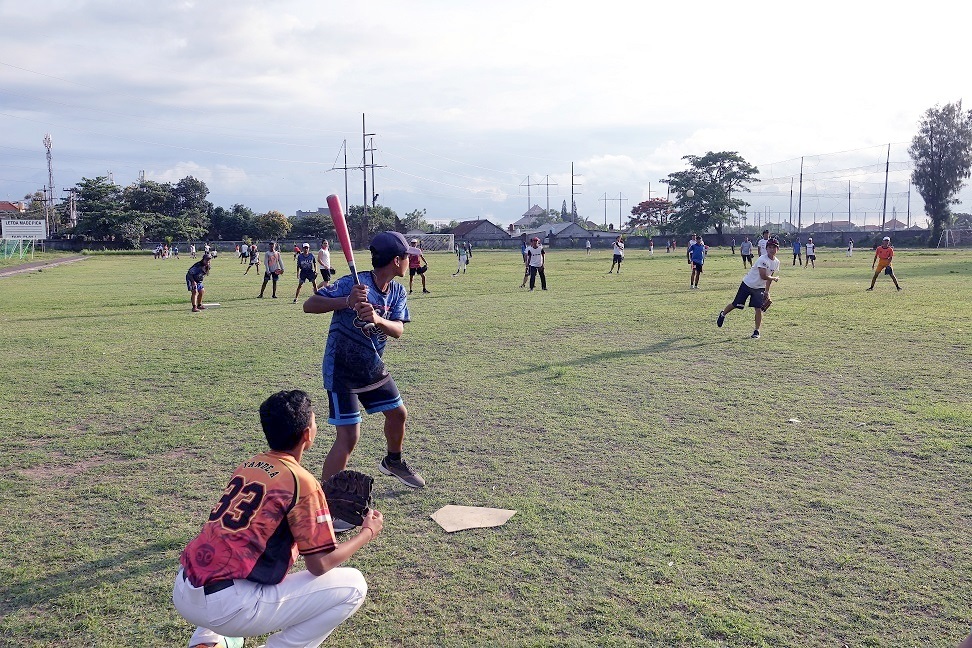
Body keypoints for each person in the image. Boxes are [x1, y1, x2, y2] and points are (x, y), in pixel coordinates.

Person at [172, 389, 381, 648]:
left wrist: (315, 513)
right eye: (314, 420)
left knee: (230, 563)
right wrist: (367, 533)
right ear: (307, 434)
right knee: (354, 586)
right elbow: (320, 565)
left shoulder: (249, 465)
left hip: (185, 589)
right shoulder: (303, 482)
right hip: (228, 605)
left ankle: (208, 642)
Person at [303, 231, 425, 528]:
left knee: (398, 414)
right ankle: (326, 508)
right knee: (349, 437)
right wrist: (346, 301)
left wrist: (377, 319)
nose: (412, 259)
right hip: (341, 369)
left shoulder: (396, 291)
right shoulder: (353, 283)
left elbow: (398, 330)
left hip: (371, 366)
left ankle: (392, 462)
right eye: (408, 256)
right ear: (396, 260)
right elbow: (310, 304)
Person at [715, 236, 781, 339]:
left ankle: (757, 331)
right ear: (766, 248)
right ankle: (723, 314)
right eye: (770, 247)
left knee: (758, 309)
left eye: (774, 247)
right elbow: (763, 276)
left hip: (759, 288)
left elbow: (768, 277)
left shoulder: (776, 262)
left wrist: (767, 291)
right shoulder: (762, 259)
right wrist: (774, 278)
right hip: (747, 284)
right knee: (736, 304)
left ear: (778, 249)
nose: (772, 249)